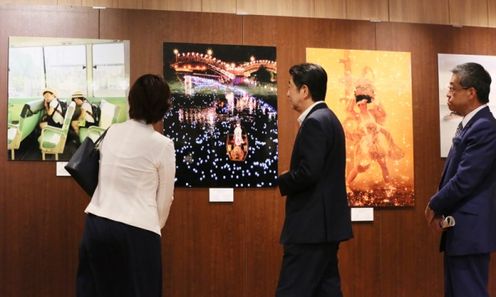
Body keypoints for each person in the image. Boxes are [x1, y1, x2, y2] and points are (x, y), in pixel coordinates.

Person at [76, 74, 176, 297]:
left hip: (96, 224)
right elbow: (165, 200)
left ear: (133, 99)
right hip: (137, 232)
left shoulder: (112, 131)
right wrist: (152, 226)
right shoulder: (162, 145)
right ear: (162, 106)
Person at [276, 63, 353, 297]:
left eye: (290, 86)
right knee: (326, 290)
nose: (287, 93)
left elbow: (309, 172)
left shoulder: (315, 122)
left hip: (310, 228)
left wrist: (281, 180)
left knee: (291, 290)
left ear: (305, 90)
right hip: (325, 228)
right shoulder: (329, 118)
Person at [425, 62, 496, 297]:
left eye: (453, 88)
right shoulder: (470, 124)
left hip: (471, 231)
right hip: (460, 228)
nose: (448, 94)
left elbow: (465, 179)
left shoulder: (485, 127)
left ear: (471, 92)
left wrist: (435, 204)